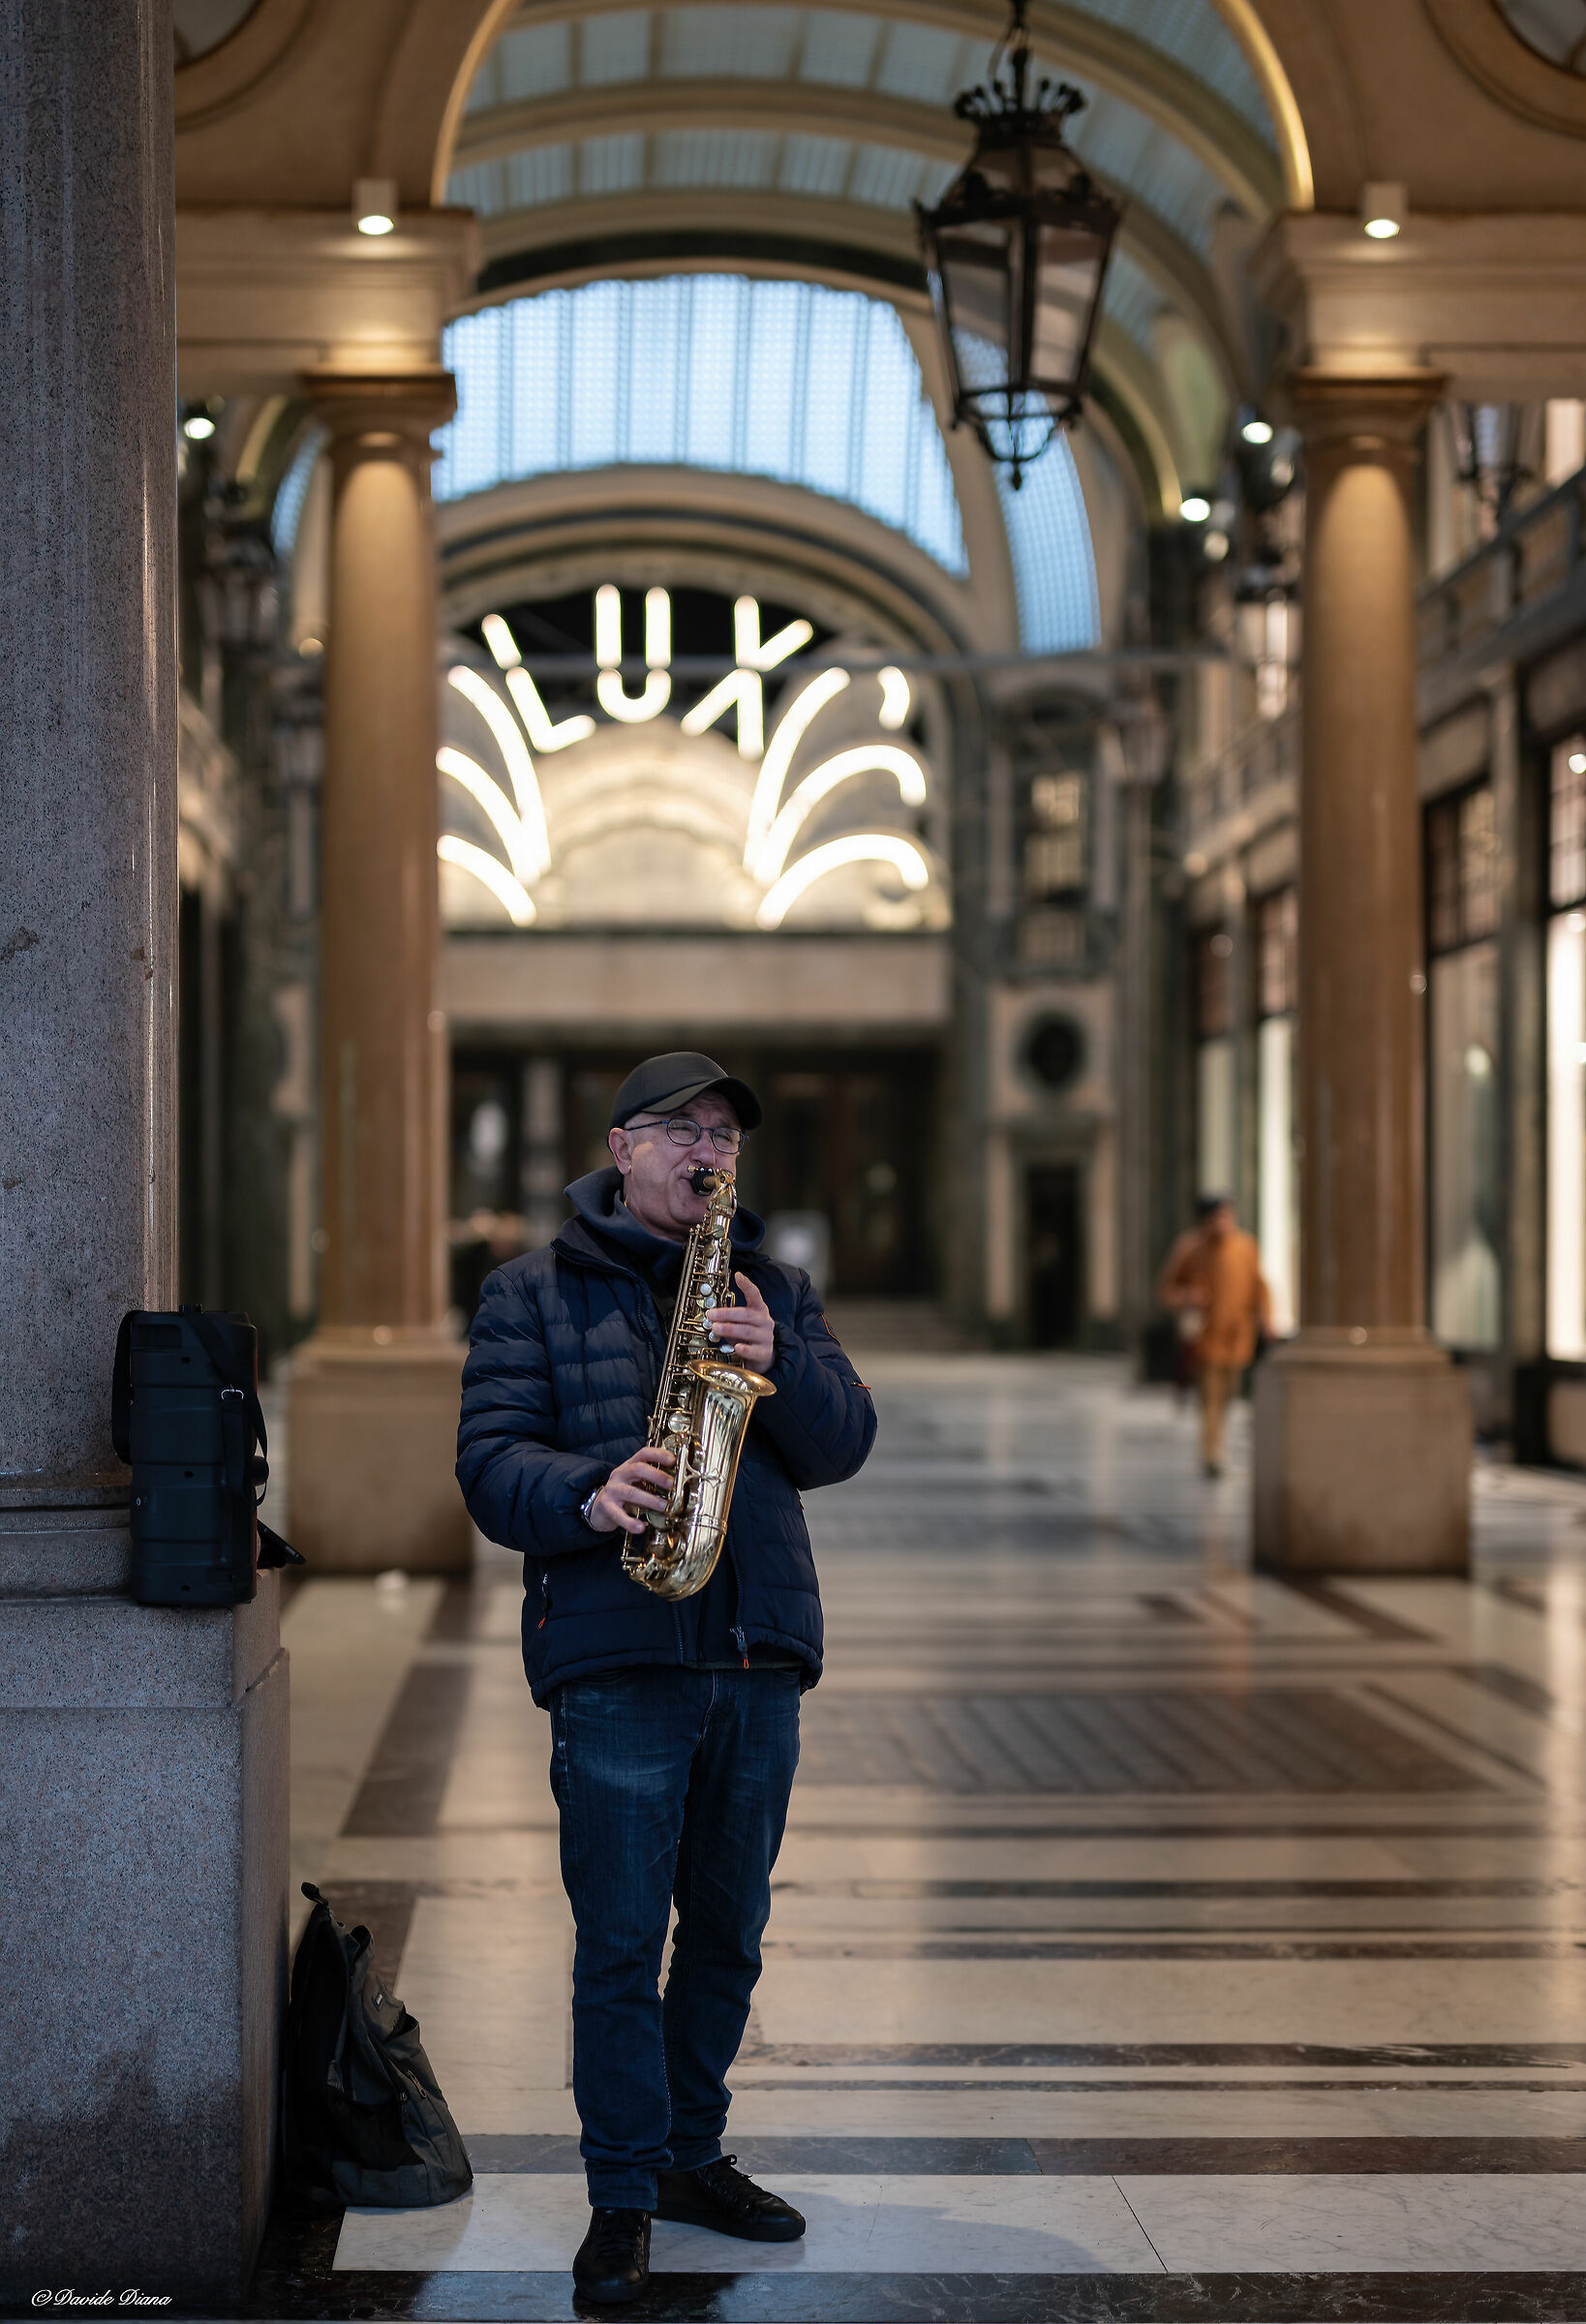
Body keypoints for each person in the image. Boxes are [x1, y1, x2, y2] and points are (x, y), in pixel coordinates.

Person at [455, 1051, 876, 2305]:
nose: (708, 1153)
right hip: (618, 1653)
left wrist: (778, 1360)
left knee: (729, 1936)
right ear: (621, 1145)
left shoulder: (774, 1288)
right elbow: (488, 1464)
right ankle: (622, 2194)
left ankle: (692, 2152)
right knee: (621, 1942)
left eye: (723, 1136)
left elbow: (843, 1443)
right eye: (683, 1130)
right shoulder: (527, 1292)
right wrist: (586, 1491)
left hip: (752, 1654)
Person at [1156, 1194, 1271, 1478]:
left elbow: (1260, 1287)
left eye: (1227, 1216)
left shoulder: (1246, 1247)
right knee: (1210, 1397)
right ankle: (1211, 1454)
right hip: (1205, 1338)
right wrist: (1188, 1297)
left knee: (1230, 1393)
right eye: (1218, 1217)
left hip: (1238, 1336)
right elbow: (1167, 1290)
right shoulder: (1190, 1248)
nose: (1223, 1223)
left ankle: (1216, 1446)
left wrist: (1266, 1319)